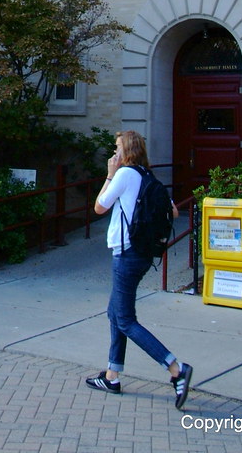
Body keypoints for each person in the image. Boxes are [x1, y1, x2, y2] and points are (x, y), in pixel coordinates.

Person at [85, 130, 192, 409]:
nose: (114, 153)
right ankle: (112, 375)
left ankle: (176, 368)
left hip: (127, 253)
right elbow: (175, 212)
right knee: (115, 313)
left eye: (117, 148)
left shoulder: (123, 175)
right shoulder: (148, 176)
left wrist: (109, 174)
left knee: (126, 320)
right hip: (143, 253)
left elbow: (99, 207)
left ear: (127, 151)